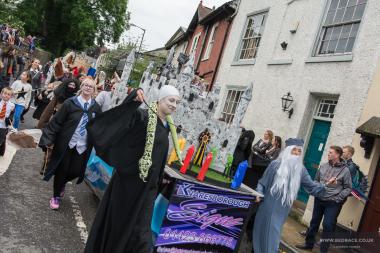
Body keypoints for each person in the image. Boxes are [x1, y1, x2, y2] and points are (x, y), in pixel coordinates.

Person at [84, 85, 181, 253]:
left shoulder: (165, 126)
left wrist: (159, 176)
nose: (174, 105)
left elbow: (156, 155)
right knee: (122, 230)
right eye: (171, 100)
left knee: (139, 235)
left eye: (177, 102)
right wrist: (133, 99)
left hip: (147, 190)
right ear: (159, 100)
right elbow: (123, 119)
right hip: (128, 188)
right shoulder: (143, 117)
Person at [253, 138, 337, 253]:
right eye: (294, 150)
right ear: (288, 151)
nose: (297, 153)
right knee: (266, 232)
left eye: (299, 151)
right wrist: (259, 194)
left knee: (273, 234)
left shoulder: (301, 170)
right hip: (268, 204)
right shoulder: (275, 165)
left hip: (283, 209)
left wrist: (327, 184)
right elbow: (262, 182)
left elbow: (312, 187)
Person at [38, 78, 101, 210]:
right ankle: (55, 196)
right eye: (85, 85)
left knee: (77, 171)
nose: (88, 88)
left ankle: (61, 184)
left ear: (94, 90)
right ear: (81, 87)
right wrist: (48, 139)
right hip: (66, 144)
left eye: (91, 86)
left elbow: (98, 127)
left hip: (82, 146)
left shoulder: (96, 107)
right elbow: (57, 122)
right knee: (62, 170)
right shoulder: (70, 103)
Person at [296, 146, 352, 253]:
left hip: (332, 203)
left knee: (328, 225)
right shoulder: (323, 166)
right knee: (314, 222)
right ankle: (308, 244)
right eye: (329, 152)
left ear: (338, 155)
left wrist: (338, 198)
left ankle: (323, 250)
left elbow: (348, 188)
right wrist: (319, 188)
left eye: (331, 152)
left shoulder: (345, 171)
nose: (328, 154)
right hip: (319, 199)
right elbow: (316, 180)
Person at [0, 87, 15, 156]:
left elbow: (12, 116)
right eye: (5, 93)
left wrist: (9, 120)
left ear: (11, 96)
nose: (6, 95)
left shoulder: (12, 106)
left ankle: (1, 150)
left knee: (1, 139)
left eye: (8, 94)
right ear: (1, 94)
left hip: (3, 126)